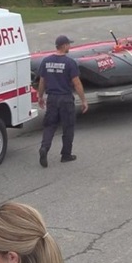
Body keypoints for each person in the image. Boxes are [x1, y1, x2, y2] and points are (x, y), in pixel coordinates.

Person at [36, 35, 88, 168]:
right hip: (65, 99)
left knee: (50, 126)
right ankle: (66, 155)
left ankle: (44, 148)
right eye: (68, 44)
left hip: (52, 99)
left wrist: (40, 96)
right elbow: (77, 83)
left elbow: (42, 81)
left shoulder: (46, 61)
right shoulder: (70, 63)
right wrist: (83, 100)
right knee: (68, 127)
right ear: (63, 46)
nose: (69, 47)